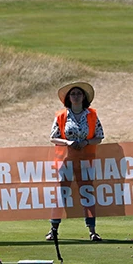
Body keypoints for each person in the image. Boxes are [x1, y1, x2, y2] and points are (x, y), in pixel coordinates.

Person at [47, 81, 105, 241]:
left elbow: (99, 136)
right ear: (68, 98)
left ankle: (92, 231)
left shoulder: (92, 115)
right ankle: (53, 230)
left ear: (84, 97)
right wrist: (68, 142)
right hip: (65, 160)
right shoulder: (61, 116)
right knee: (62, 193)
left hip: (86, 160)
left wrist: (86, 142)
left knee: (87, 193)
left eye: (79, 93)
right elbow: (53, 137)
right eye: (73, 94)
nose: (76, 96)